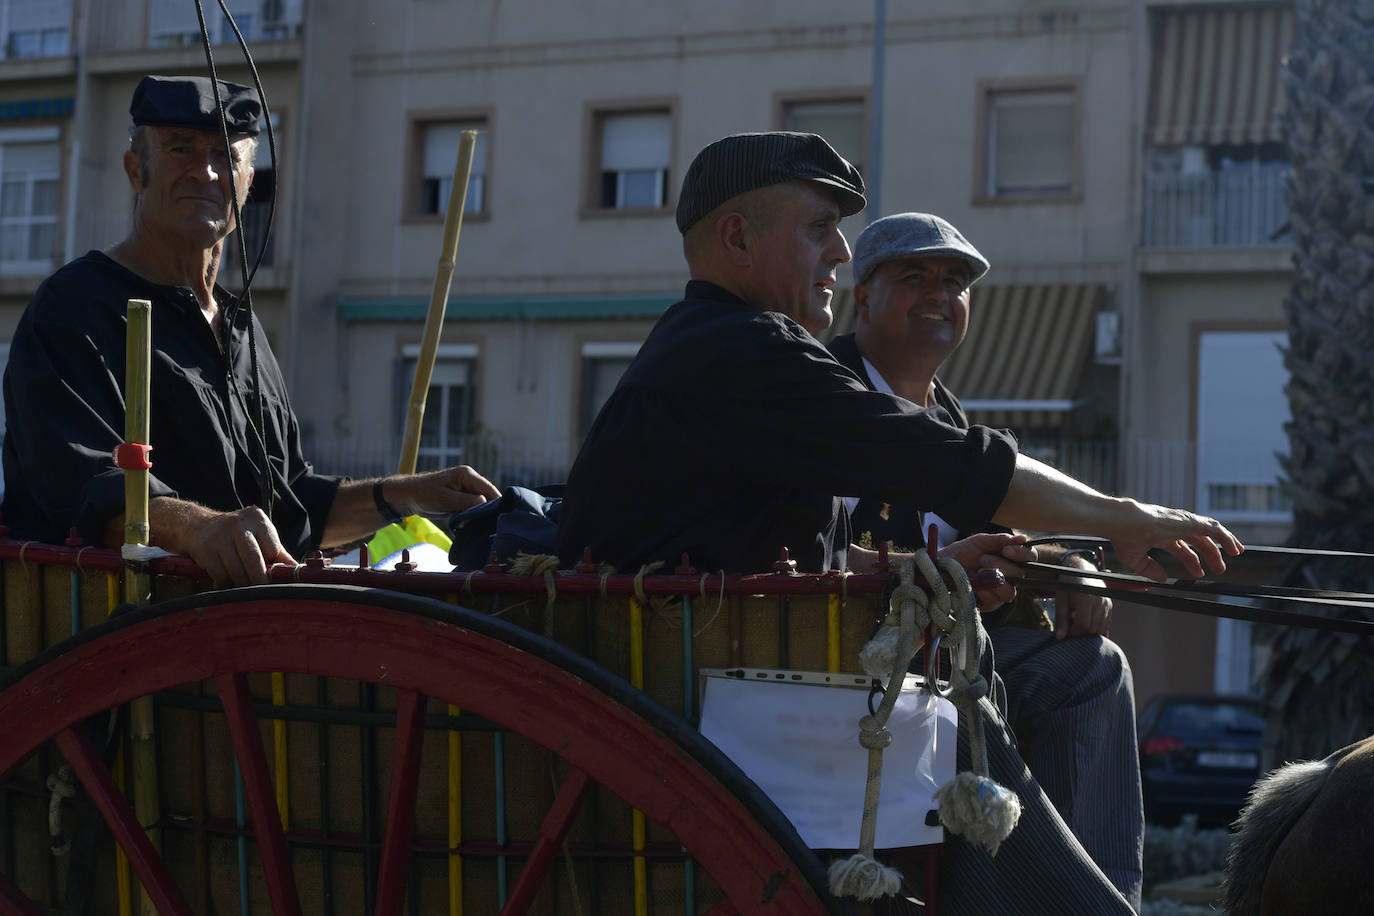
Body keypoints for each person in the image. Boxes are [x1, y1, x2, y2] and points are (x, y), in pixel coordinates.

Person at [558, 131, 1242, 914]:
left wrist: (922, 570)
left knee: (1066, 674)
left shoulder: (726, 349)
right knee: (974, 706)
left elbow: (757, 547)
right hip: (721, 702)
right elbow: (953, 465)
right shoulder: (739, 350)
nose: (840, 252)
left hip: (760, 670)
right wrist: (1124, 517)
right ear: (737, 236)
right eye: (820, 229)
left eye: (953, 280)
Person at [1, 75, 498, 586]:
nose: (206, 171)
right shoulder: (73, 308)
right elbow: (83, 485)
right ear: (135, 170)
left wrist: (403, 494)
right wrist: (198, 527)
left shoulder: (244, 329)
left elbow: (293, 506)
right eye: (180, 149)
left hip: (248, 638)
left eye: (227, 156)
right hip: (114, 631)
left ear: (247, 184)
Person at [830, 211, 1142, 906]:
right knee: (992, 689)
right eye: (914, 276)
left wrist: (1073, 569)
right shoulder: (828, 395)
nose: (940, 293)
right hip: (849, 670)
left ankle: (1103, 896)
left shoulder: (948, 418)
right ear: (862, 297)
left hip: (953, 659)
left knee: (1089, 668)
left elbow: (993, 535)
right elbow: (806, 549)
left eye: (956, 282)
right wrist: (938, 571)